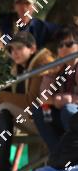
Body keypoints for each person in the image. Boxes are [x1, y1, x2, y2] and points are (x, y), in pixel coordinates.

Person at [0, 32, 54, 171]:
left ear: (32, 48)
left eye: (19, 48)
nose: (14, 53)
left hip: (47, 121)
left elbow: (31, 102)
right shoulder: (19, 67)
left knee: (3, 106)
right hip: (32, 119)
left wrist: (1, 96)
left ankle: (1, 163)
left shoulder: (42, 64)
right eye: (11, 49)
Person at [32, 26, 78, 155]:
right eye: (60, 45)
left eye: (69, 44)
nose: (63, 48)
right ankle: (59, 155)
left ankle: (74, 157)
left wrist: (65, 100)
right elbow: (44, 99)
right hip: (65, 115)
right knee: (40, 111)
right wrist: (51, 75)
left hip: (72, 114)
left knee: (68, 110)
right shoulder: (58, 69)